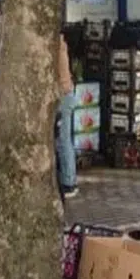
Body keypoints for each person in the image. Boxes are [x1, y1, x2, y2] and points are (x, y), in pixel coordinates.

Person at [55, 34, 78, 199]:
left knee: (63, 141)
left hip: (62, 97)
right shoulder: (60, 43)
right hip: (65, 95)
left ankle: (69, 183)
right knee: (62, 141)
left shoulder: (55, 46)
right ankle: (66, 179)